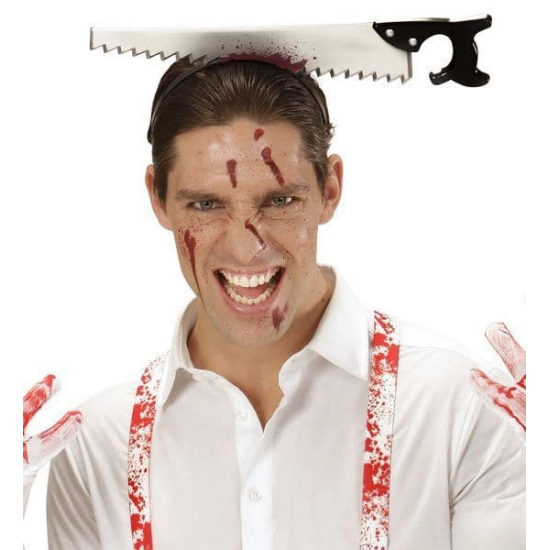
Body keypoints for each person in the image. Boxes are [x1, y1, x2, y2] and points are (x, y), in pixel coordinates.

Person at [24, 58, 525, 549]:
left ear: (330, 189)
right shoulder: (95, 445)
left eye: (280, 201)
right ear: (158, 198)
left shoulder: (462, 409)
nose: (246, 248)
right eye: (206, 204)